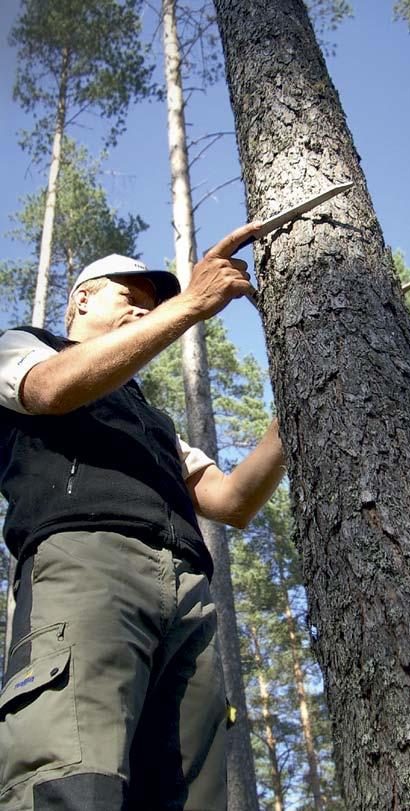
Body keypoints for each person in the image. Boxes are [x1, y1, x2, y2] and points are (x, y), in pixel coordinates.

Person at [0, 222, 284, 810]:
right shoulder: (23, 346)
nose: (143, 312)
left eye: (153, 305)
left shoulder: (155, 422)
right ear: (81, 298)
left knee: (190, 798)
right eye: (129, 298)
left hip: (188, 590)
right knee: (73, 782)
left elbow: (232, 502)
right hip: (84, 563)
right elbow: (50, 390)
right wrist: (189, 305)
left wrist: (301, 403)